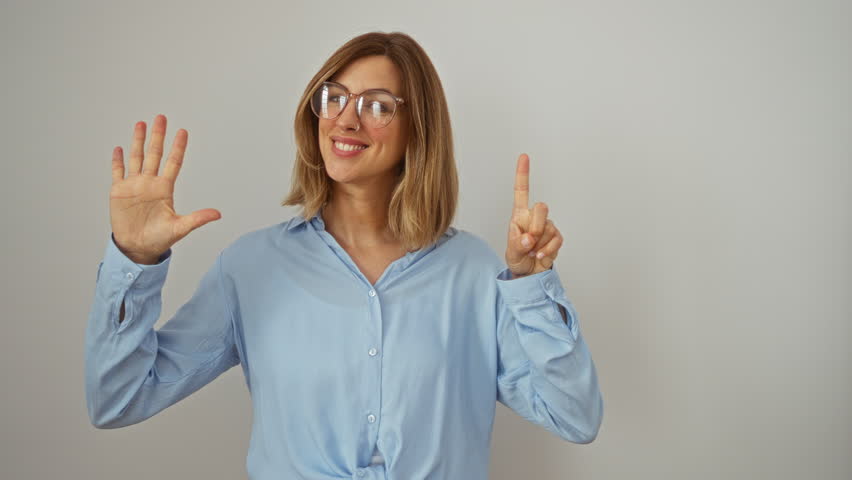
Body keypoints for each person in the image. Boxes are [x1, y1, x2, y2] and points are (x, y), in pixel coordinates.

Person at [85, 31, 603, 480]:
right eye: (334, 97)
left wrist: (530, 287)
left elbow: (574, 417)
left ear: (417, 129)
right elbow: (119, 399)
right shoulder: (251, 268)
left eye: (377, 105)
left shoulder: (473, 272)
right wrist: (134, 259)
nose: (346, 119)